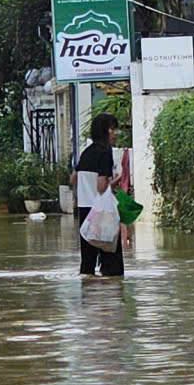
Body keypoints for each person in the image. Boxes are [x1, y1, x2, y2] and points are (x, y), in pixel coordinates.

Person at [74, 113, 125, 278]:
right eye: (112, 129)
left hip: (84, 211)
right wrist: (118, 179)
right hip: (101, 212)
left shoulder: (86, 152)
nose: (115, 133)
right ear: (104, 131)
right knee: (112, 265)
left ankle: (88, 292)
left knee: (87, 264)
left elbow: (73, 178)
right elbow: (101, 187)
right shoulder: (105, 153)